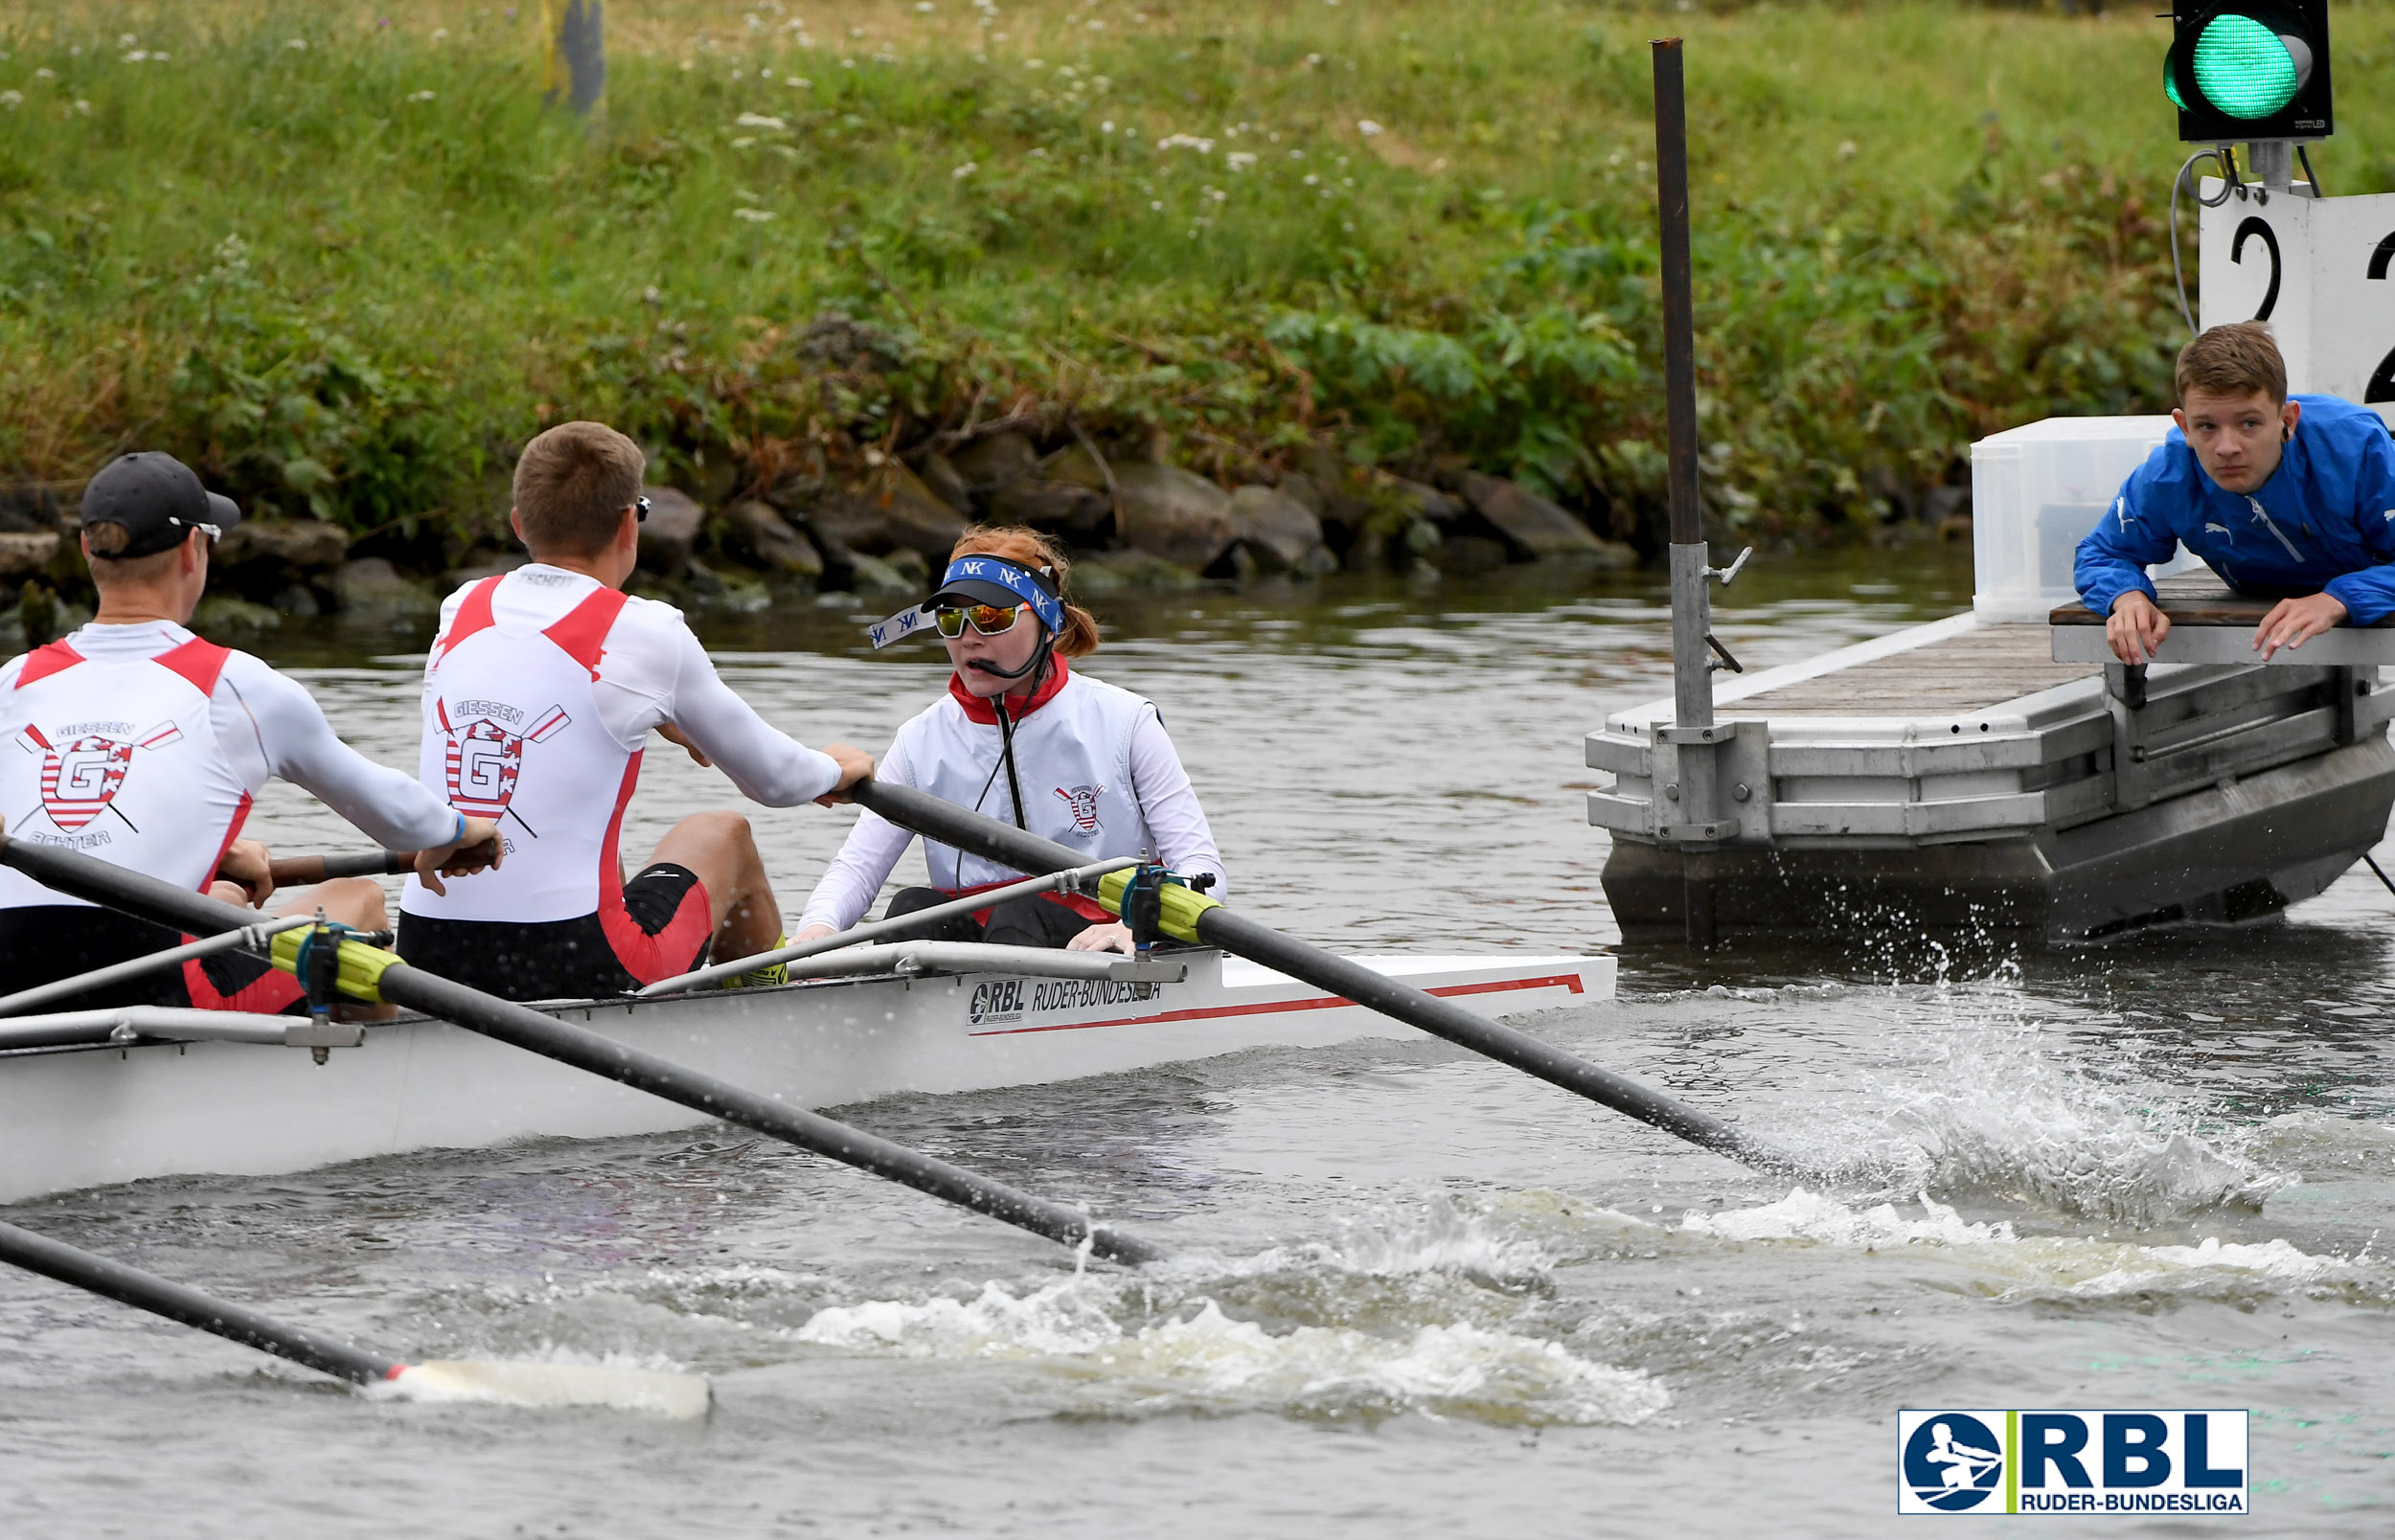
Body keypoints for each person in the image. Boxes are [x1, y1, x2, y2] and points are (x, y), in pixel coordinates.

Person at [1, 451, 498, 1011]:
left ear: (87, 549)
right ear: (193, 550)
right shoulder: (234, 683)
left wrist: (220, 853)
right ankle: (375, 1091)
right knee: (357, 899)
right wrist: (458, 829)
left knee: (222, 897)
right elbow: (400, 819)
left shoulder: (13, 681)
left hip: (14, 985)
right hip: (158, 990)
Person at [395, 420, 874, 1000]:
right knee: (723, 834)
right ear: (629, 523)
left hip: (427, 952)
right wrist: (834, 768)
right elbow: (775, 780)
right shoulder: (647, 629)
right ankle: (762, 1021)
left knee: (593, 844)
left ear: (519, 524)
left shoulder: (460, 607)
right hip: (572, 961)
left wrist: (661, 711)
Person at [794, 526, 1226, 954]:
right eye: (951, 619)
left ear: (1047, 621)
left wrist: (1136, 925)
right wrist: (817, 929)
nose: (968, 637)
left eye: (990, 616)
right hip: (987, 938)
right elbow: (856, 869)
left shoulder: (1126, 722)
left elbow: (1203, 870)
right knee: (910, 908)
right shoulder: (919, 741)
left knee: (1020, 914)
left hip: (1104, 934)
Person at [2076, 321, 2395, 665]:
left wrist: (2340, 598)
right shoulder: (2168, 475)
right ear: (2184, 426)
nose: (2227, 448)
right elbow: (2102, 551)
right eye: (2207, 426)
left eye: (2249, 424)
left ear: (2287, 420)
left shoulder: (2356, 449)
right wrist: (2127, 597)